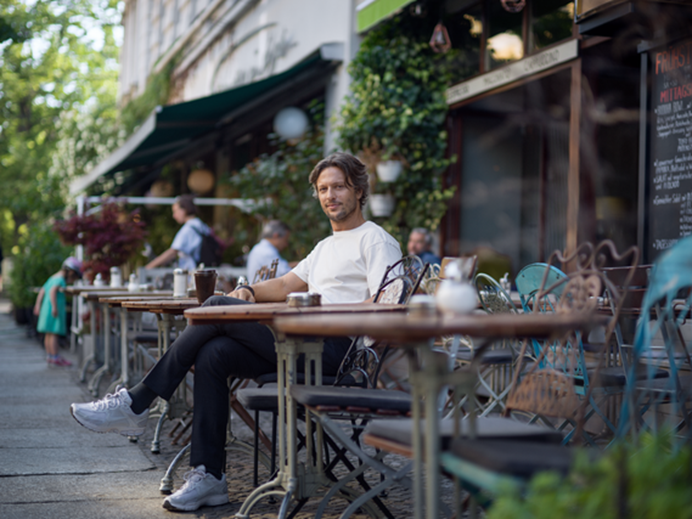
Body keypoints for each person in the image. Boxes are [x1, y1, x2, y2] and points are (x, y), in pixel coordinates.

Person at [70, 152, 402, 512]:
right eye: (323, 189)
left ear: (358, 190)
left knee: (214, 306)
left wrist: (320, 312)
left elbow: (387, 303)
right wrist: (248, 291)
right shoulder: (325, 247)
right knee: (215, 354)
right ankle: (209, 477)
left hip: (339, 354)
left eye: (339, 187)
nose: (330, 195)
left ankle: (137, 401)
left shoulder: (375, 239)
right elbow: (288, 282)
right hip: (299, 344)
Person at [33, 257, 82, 367]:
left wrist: (37, 305)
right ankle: (56, 356)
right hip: (54, 309)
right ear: (70, 271)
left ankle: (50, 355)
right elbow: (52, 291)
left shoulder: (52, 277)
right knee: (54, 333)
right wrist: (55, 307)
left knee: (48, 333)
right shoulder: (60, 280)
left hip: (46, 309)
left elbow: (42, 291)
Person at [145, 194, 211, 271]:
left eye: (175, 211)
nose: (174, 216)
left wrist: (148, 267)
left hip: (191, 272)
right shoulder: (201, 225)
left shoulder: (188, 229)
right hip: (203, 270)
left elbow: (172, 252)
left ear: (184, 210)